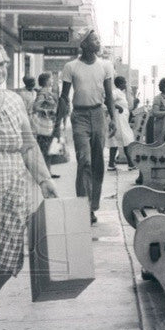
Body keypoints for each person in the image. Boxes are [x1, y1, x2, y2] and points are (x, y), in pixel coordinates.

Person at [0, 39, 58, 330]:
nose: (0, 71)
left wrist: (45, 179)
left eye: (3, 64)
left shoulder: (14, 101)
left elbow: (28, 145)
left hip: (12, 181)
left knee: (8, 258)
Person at [53, 28, 117, 225]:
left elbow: (109, 95)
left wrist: (113, 118)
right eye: (95, 39)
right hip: (79, 116)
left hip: (98, 115)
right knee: (85, 161)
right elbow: (64, 97)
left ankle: (93, 205)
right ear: (85, 45)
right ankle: (83, 208)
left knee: (98, 163)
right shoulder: (70, 67)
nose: (99, 42)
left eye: (98, 38)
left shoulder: (106, 66)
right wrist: (58, 123)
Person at [29, 71, 60, 179]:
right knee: (45, 150)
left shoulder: (48, 92)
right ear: (46, 81)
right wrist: (47, 111)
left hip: (49, 124)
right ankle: (44, 174)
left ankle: (47, 172)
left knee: (49, 150)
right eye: (51, 79)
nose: (52, 81)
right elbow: (36, 107)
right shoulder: (43, 93)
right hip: (44, 125)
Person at [107, 76, 137, 171]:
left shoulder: (122, 94)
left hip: (122, 120)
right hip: (118, 119)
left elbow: (128, 108)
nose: (126, 84)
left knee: (118, 141)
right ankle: (131, 164)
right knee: (125, 140)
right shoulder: (116, 92)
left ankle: (111, 164)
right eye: (124, 82)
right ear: (120, 84)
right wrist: (118, 107)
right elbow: (107, 100)